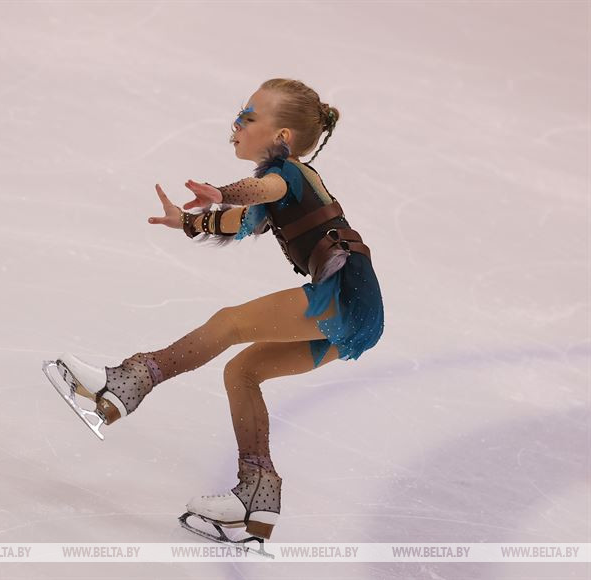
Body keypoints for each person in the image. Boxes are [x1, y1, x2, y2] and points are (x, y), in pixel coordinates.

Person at [57, 78, 384, 541]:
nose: (236, 124)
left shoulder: (289, 174)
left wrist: (224, 190)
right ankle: (257, 494)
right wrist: (187, 221)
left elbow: (260, 189)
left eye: (249, 118)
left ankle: (125, 383)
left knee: (230, 323)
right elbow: (241, 219)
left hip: (346, 293)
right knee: (242, 373)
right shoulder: (286, 187)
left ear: (282, 137)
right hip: (360, 312)